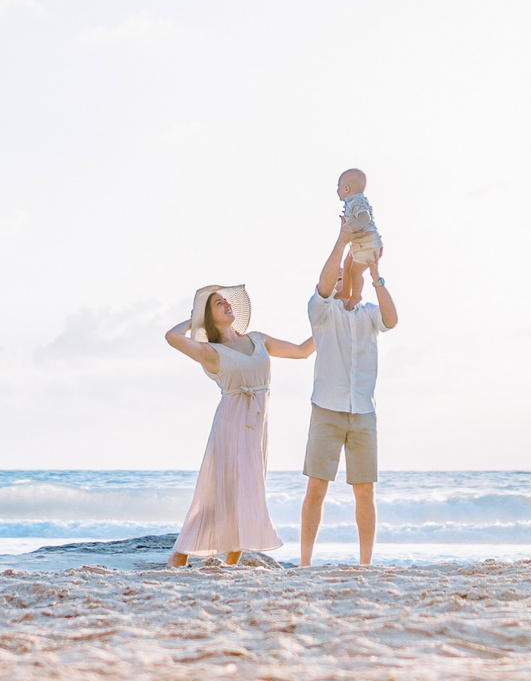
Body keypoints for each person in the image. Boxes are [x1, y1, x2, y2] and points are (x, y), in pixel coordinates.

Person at [163, 284, 314, 567]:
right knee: (221, 491)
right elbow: (172, 337)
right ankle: (179, 555)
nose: (227, 304)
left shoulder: (258, 339)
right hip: (231, 425)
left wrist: (329, 323)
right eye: (218, 303)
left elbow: (302, 351)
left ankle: (231, 563)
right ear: (208, 317)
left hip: (256, 426)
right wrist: (194, 320)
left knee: (249, 490)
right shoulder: (210, 351)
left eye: (226, 301)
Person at [301, 221, 397, 565]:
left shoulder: (368, 315)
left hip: (364, 412)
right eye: (338, 278)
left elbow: (392, 320)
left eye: (347, 277)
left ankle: (365, 564)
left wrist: (375, 274)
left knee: (365, 490)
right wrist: (343, 241)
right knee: (317, 487)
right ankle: (305, 563)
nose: (343, 280)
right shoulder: (322, 313)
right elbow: (327, 282)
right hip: (327, 409)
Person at [335, 167, 383, 268]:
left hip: (367, 242)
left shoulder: (356, 201)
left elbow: (365, 217)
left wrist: (351, 227)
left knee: (355, 271)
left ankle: (359, 280)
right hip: (363, 243)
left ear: (346, 189)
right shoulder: (352, 202)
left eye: (338, 186)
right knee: (349, 267)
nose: (337, 190)